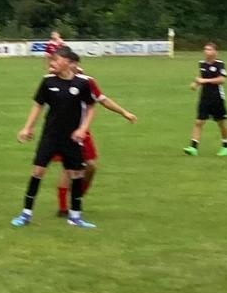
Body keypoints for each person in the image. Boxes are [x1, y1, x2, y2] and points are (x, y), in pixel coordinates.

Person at [13, 46, 97, 228]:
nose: (52, 63)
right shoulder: (48, 81)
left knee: (77, 174)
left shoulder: (82, 83)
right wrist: (27, 128)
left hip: (72, 139)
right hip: (50, 136)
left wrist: (83, 129)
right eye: (52, 60)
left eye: (56, 60)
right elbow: (38, 105)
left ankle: (75, 217)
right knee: (37, 172)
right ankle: (26, 214)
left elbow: (91, 107)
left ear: (68, 62)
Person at [52, 58, 137, 218]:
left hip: (82, 131)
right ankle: (63, 208)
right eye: (69, 63)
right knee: (68, 168)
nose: (72, 66)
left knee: (91, 166)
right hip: (62, 131)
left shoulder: (86, 81)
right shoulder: (55, 79)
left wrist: (124, 112)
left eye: (74, 63)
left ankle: (77, 198)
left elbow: (102, 99)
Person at [184, 41, 227, 157]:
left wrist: (205, 81)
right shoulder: (202, 64)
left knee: (221, 122)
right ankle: (193, 147)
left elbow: (222, 80)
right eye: (205, 49)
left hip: (217, 98)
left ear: (215, 52)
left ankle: (226, 146)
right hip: (204, 97)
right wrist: (196, 84)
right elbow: (201, 77)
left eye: (209, 49)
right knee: (199, 121)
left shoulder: (219, 64)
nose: (206, 51)